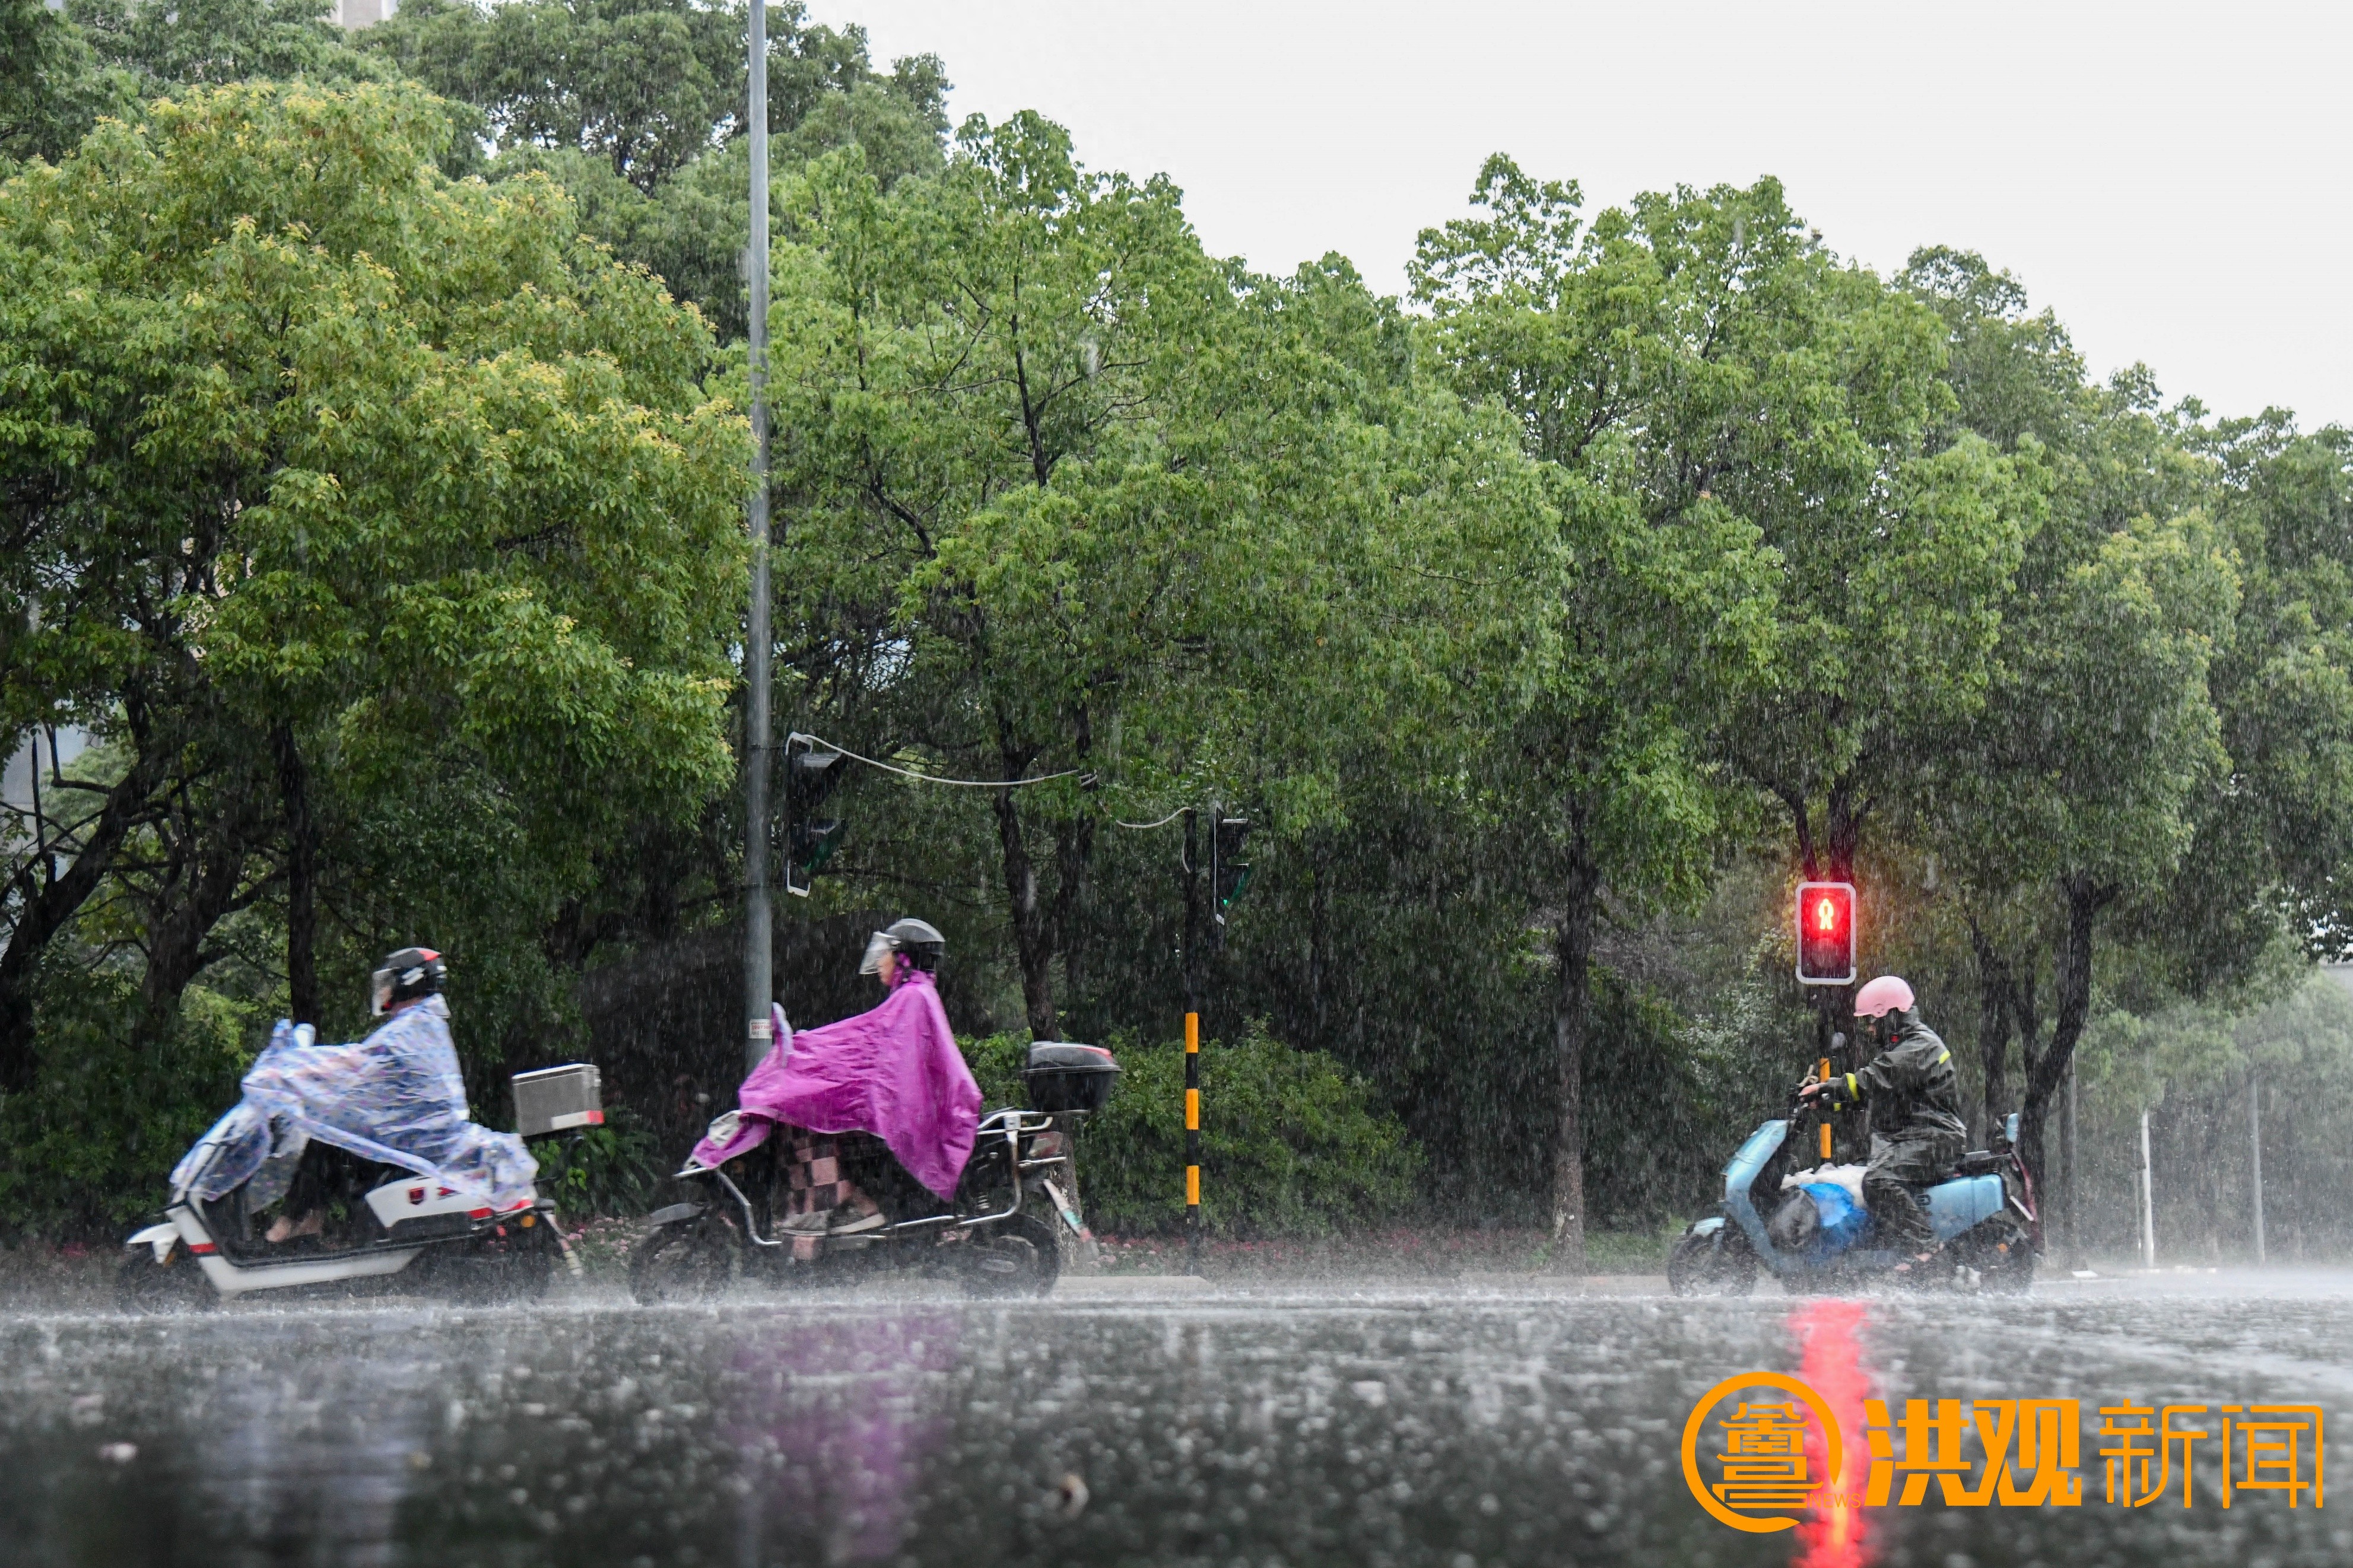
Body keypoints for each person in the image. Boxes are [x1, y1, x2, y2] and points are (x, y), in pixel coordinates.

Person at [172, 946, 538, 1247]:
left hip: (414, 1144)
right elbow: (367, 1075)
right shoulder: (422, 1025)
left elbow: (355, 1064)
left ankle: (290, 1225)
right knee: (331, 1136)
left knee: (320, 1136)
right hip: (417, 1138)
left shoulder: (411, 1030)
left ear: (408, 983)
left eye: (389, 982)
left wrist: (292, 1070)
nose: (383, 990)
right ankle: (309, 1221)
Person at [690, 918, 982, 1238]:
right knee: (807, 1112)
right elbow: (869, 1045)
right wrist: (813, 1049)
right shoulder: (916, 995)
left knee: (800, 1115)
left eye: (885, 953)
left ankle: (839, 1202)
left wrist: (808, 1052)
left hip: (902, 1112)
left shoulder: (913, 998)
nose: (879, 961)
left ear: (904, 957)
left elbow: (868, 1049)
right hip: (904, 1108)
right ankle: (834, 1203)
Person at [1796, 974, 1967, 1267]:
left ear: (1889, 1015)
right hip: (1918, 1137)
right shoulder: (1905, 1047)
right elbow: (1871, 1095)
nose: (1870, 1028)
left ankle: (1928, 1249)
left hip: (1935, 1138)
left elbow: (1874, 1079)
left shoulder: (1918, 1047)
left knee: (1879, 1181)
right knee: (1867, 1175)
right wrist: (1825, 1103)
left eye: (1872, 1020)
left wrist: (1826, 1087)